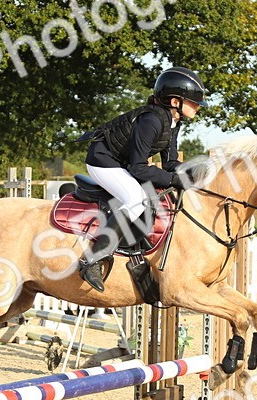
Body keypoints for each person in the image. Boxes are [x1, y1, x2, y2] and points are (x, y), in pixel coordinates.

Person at [76, 66, 204, 291]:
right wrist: (174, 180)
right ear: (175, 102)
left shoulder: (172, 123)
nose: (197, 107)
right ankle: (92, 259)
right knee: (135, 198)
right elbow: (138, 169)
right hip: (101, 160)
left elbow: (170, 163)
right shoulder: (151, 121)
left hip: (119, 163)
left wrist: (195, 171)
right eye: (193, 102)